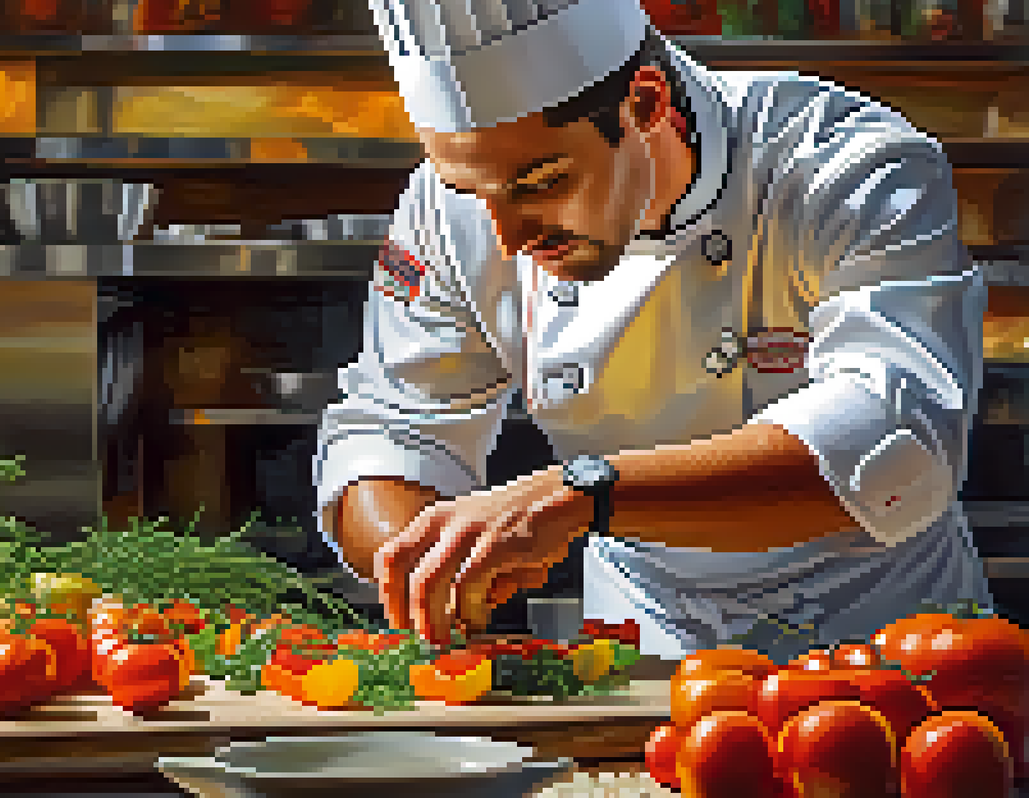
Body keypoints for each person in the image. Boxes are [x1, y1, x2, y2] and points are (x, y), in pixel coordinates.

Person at [313, 0, 995, 659]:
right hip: (644, 651)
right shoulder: (449, 207)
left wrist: (582, 495)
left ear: (645, 106)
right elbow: (390, 429)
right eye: (472, 193)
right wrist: (429, 562)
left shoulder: (842, 166)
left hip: (892, 644)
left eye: (542, 182)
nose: (509, 238)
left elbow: (897, 439)